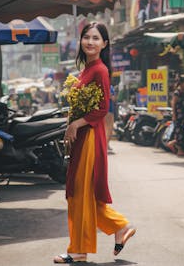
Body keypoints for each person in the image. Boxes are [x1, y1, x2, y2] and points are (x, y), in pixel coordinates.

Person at [54, 22, 135, 264]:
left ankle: (80, 249)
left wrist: (75, 125)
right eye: (86, 37)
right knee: (81, 194)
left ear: (105, 44)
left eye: (96, 38)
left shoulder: (100, 70)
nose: (90, 42)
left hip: (90, 137)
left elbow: (102, 109)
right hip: (83, 137)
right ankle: (119, 227)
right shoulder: (86, 70)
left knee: (81, 193)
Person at [167, 74, 184, 156]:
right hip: (179, 115)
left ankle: (178, 149)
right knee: (180, 133)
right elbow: (173, 104)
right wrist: (174, 115)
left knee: (183, 132)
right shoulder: (177, 92)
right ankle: (175, 147)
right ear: (181, 82)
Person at [104, 84, 116, 154]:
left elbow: (113, 98)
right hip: (108, 110)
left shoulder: (110, 86)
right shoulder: (108, 86)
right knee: (108, 129)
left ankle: (107, 144)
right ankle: (105, 145)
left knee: (109, 129)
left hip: (110, 109)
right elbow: (112, 97)